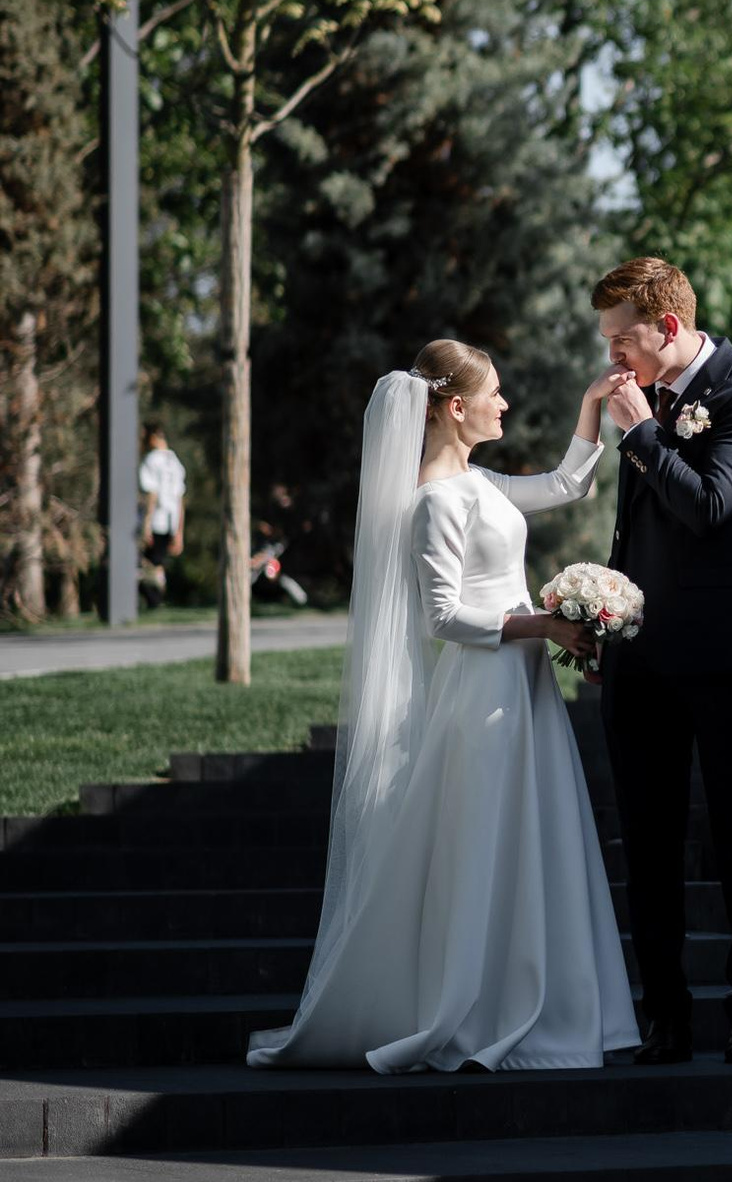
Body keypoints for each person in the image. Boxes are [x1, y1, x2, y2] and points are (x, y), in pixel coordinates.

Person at [247, 341, 639, 1072]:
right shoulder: (433, 501)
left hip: (524, 687)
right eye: (494, 394)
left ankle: (549, 1002)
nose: (505, 404)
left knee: (534, 836)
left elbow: (566, 485)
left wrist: (592, 408)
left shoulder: (482, 482)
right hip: (484, 693)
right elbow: (444, 618)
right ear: (455, 408)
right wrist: (545, 625)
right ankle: (477, 1005)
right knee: (489, 844)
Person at [591, 257, 732, 1066]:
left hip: (728, 658)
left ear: (668, 328)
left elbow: (709, 508)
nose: (613, 360)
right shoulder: (649, 396)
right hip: (640, 661)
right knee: (646, 841)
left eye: (623, 340)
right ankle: (663, 1018)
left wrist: (641, 432)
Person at [137, 425, 184, 607]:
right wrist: (179, 530)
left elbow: (152, 495)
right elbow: (180, 499)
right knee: (158, 562)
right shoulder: (175, 462)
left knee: (148, 564)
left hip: (155, 519)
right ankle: (157, 599)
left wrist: (146, 525)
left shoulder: (151, 461)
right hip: (170, 520)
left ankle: (153, 600)